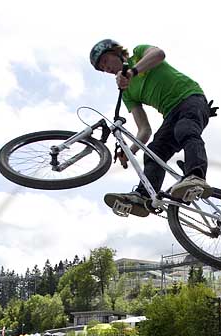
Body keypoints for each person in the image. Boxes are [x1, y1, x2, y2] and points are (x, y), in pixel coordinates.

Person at [89, 39, 214, 218]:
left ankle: (196, 176)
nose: (106, 68)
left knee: (185, 129)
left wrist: (132, 71)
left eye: (105, 61)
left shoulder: (139, 54)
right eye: (102, 68)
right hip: (170, 114)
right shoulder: (127, 93)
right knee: (154, 152)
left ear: (116, 52)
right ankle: (143, 196)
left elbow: (159, 54)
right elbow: (144, 130)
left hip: (191, 98)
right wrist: (130, 151)